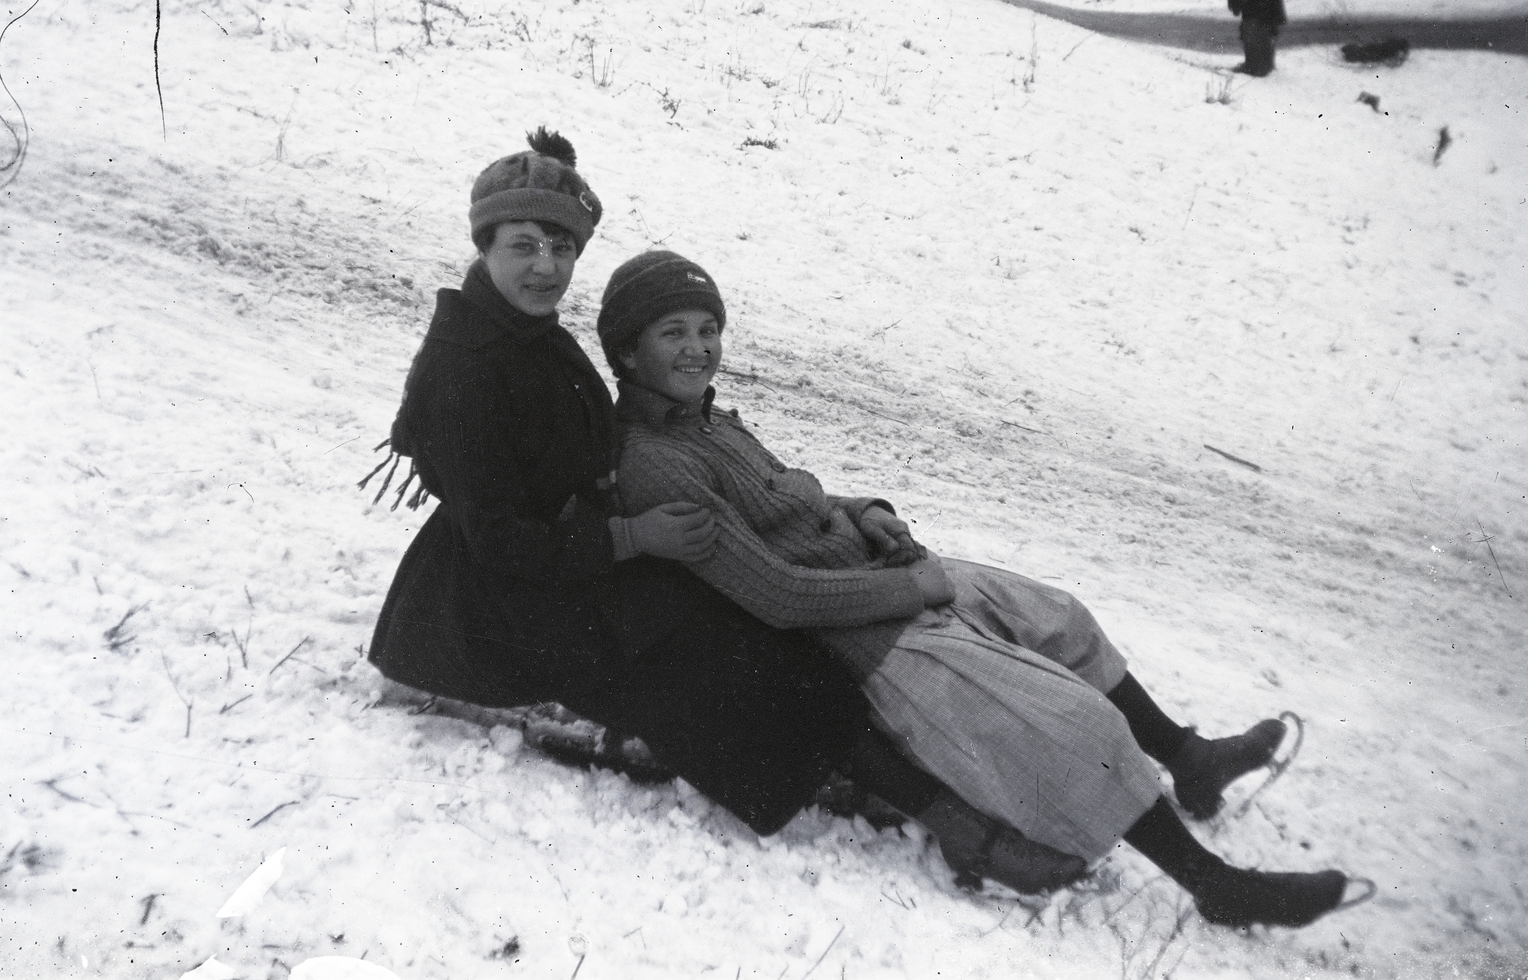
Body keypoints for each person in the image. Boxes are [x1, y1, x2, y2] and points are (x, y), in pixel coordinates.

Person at [363, 129, 1091, 892]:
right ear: (484, 244)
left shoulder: (524, 332)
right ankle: (962, 830)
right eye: (523, 245)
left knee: (751, 625)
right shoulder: (467, 368)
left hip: (576, 560)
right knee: (734, 665)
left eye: (561, 246)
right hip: (496, 608)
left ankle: (919, 777)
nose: (546, 266)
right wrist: (630, 534)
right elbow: (499, 538)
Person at [602, 250, 1364, 929]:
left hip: (880, 580)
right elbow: (776, 597)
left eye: (708, 327)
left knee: (1059, 616)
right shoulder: (657, 463)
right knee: (1082, 727)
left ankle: (1187, 757)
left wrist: (862, 511)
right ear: (627, 348)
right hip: (866, 638)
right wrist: (910, 587)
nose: (699, 346)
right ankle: (1217, 885)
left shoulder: (706, 423)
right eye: (673, 331)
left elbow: (794, 501)